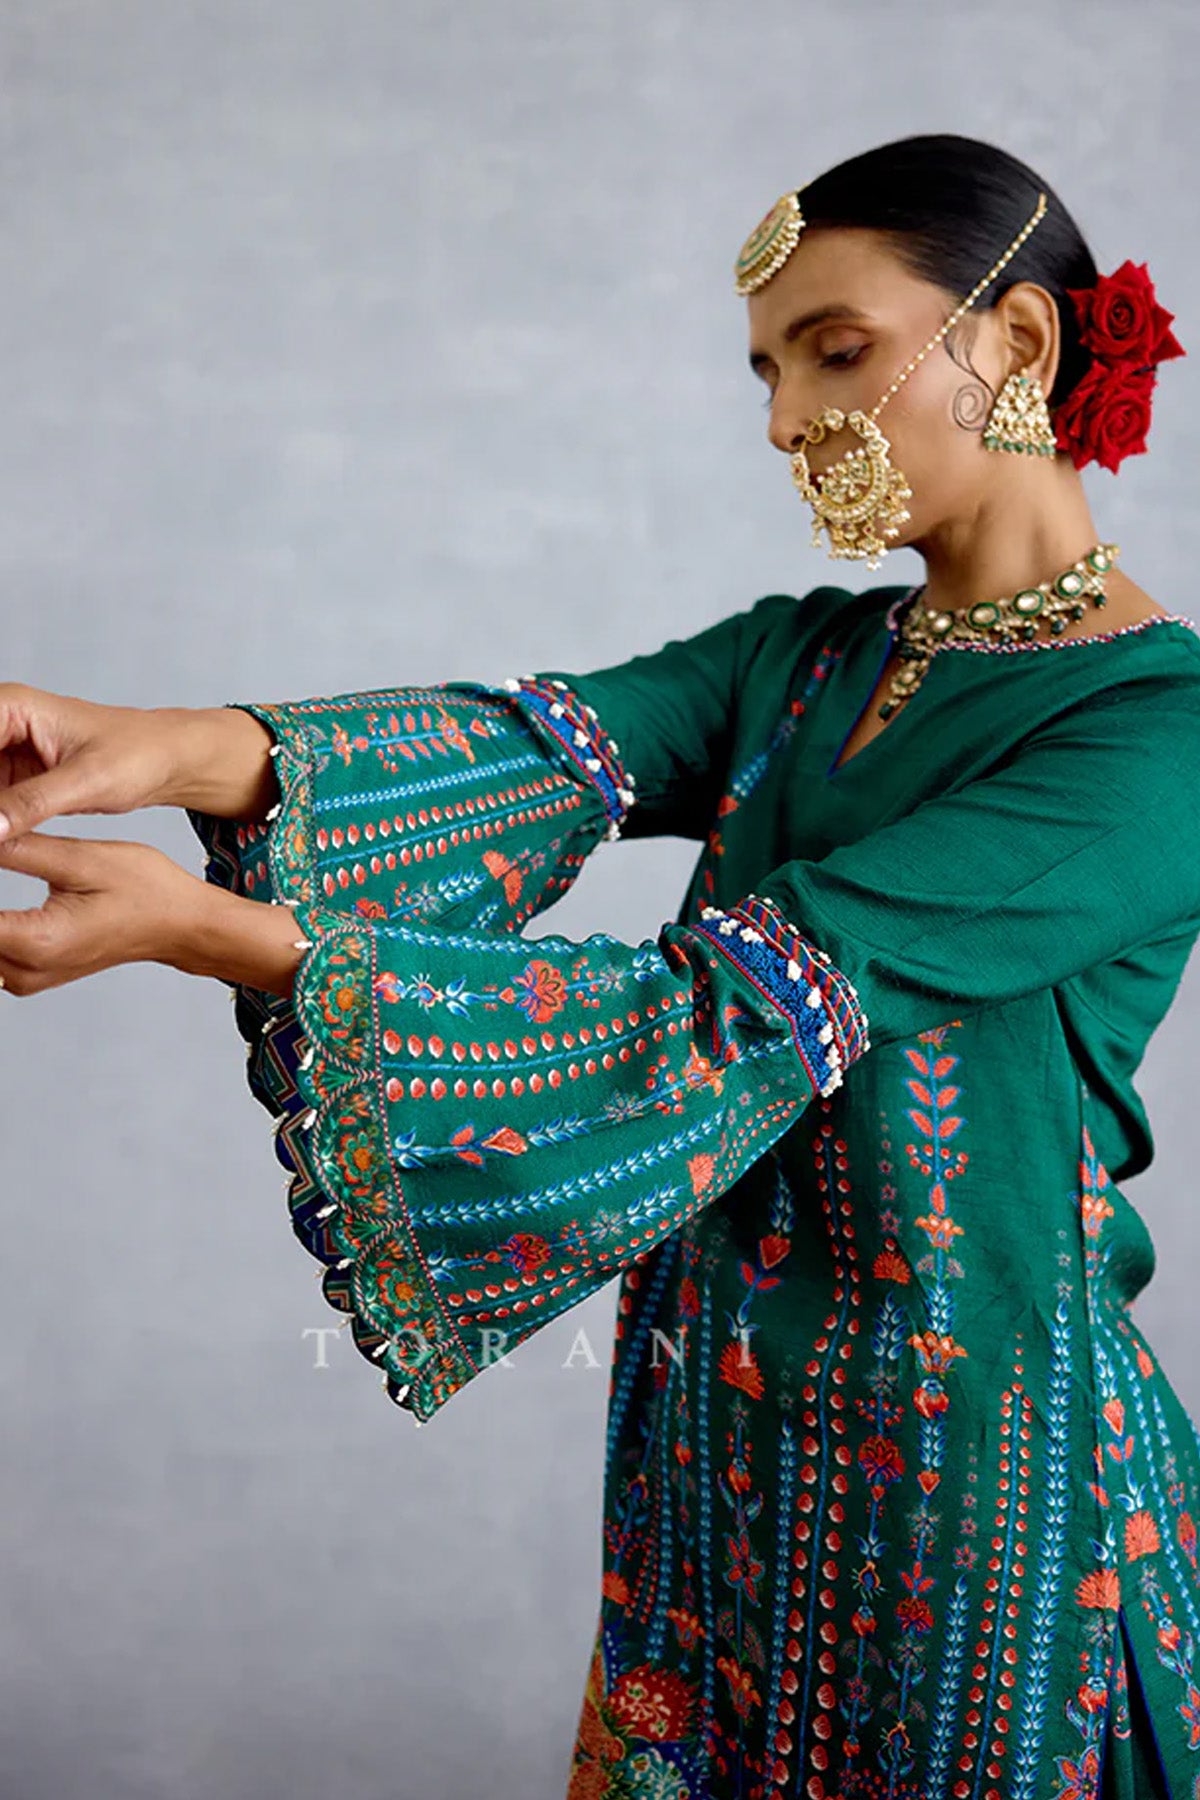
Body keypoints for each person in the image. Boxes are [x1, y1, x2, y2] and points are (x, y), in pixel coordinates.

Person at [0, 130, 1196, 1799]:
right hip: (715, 1433)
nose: (787, 423)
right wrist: (138, 746)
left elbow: (741, 1008)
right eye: (768, 373)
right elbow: (536, 749)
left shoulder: (1156, 733)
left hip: (982, 1486)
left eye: (835, 354)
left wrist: (205, 930)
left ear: (1018, 346)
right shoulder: (806, 655)